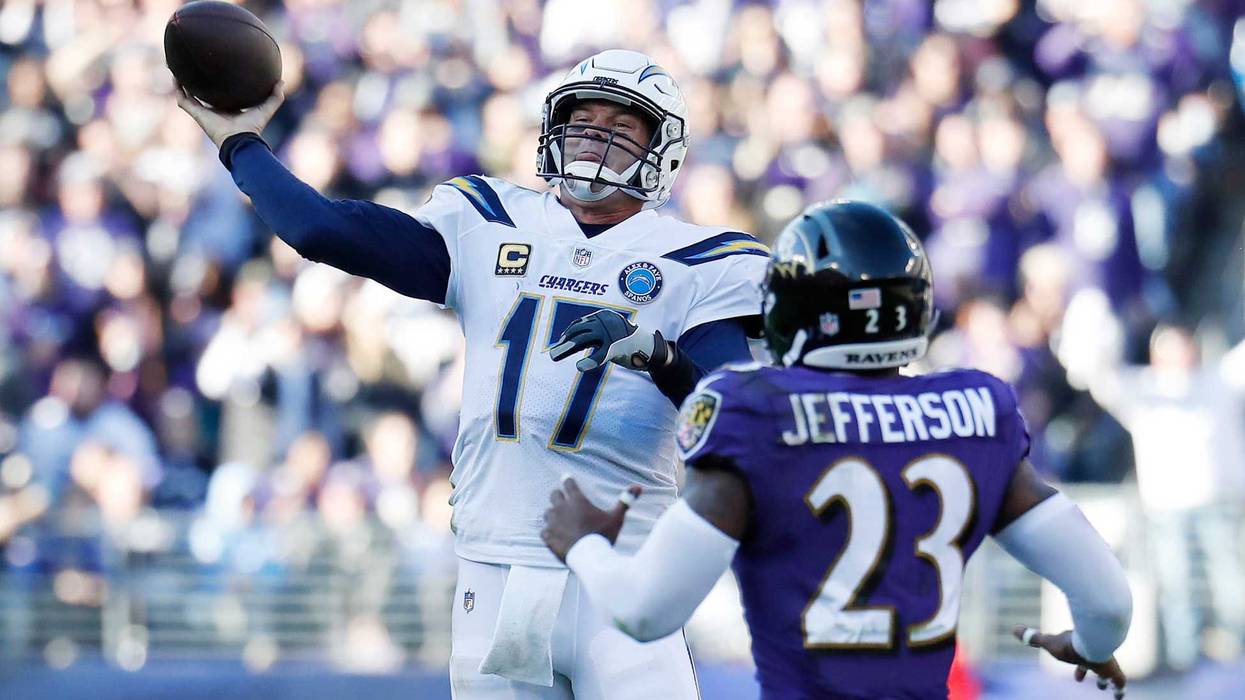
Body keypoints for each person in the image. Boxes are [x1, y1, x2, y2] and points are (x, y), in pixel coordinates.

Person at [176, 49, 769, 698]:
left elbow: (733, 416)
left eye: (620, 126)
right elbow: (322, 230)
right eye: (583, 119)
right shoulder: (487, 222)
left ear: (662, 150)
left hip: (620, 574)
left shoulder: (699, 261)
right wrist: (240, 141)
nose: (594, 138)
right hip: (494, 568)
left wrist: (656, 356)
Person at [542, 201, 1132, 699]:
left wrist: (584, 544)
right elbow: (1106, 598)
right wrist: (1088, 646)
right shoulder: (975, 411)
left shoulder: (751, 413)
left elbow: (647, 611)